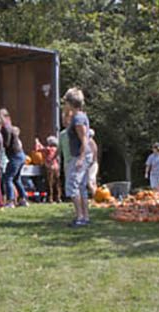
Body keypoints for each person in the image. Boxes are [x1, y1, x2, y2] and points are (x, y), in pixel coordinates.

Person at [62, 88, 92, 226]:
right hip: (83, 155)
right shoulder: (78, 116)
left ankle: (80, 217)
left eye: (66, 102)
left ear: (70, 102)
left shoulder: (79, 118)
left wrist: (80, 158)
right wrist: (66, 112)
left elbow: (84, 139)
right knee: (81, 187)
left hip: (80, 155)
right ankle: (85, 217)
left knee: (72, 186)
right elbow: (66, 124)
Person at [0, 108, 28, 207]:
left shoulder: (6, 128)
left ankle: (10, 201)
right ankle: (23, 199)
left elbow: (6, 144)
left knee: (8, 178)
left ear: (7, 118)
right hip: (21, 155)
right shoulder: (11, 128)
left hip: (15, 156)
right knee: (16, 179)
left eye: (1, 117)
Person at [39, 136, 62, 203]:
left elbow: (39, 149)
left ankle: (50, 198)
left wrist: (37, 142)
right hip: (56, 167)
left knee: (49, 183)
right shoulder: (56, 149)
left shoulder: (48, 149)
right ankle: (58, 197)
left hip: (49, 167)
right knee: (57, 183)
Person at [86, 129, 99, 197]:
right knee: (93, 181)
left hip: (92, 164)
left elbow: (94, 154)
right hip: (94, 164)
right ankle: (98, 196)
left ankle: (95, 197)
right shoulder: (92, 142)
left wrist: (90, 163)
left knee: (90, 182)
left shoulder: (90, 142)